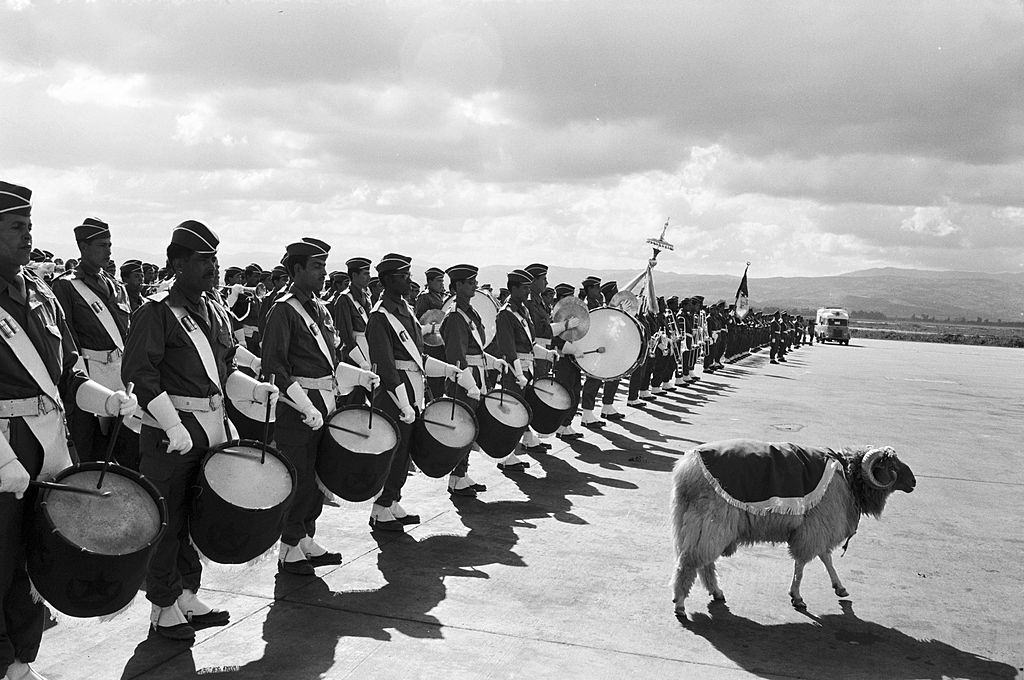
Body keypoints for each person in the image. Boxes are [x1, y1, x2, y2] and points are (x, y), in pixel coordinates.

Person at [1, 181, 137, 680]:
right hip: (7, 446)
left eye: (30, 226)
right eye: (16, 227)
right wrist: (2, 459)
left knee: (37, 559)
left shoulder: (39, 292)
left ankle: (20, 661)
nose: (28, 236)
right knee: (1, 561)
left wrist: (106, 399)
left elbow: (68, 373)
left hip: (50, 442)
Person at [121, 220, 277, 640]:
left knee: (195, 517)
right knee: (167, 520)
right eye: (204, 259)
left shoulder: (214, 309)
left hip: (211, 427)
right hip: (171, 435)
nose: (214, 266)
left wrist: (254, 388)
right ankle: (162, 605)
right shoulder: (156, 311)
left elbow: (222, 370)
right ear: (178, 264)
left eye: (215, 258)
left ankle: (187, 593)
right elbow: (139, 372)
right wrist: (172, 424)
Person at [262, 238, 378, 575]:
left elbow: (331, 363)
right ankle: (288, 547)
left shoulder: (321, 308)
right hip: (297, 410)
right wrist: (303, 405)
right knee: (298, 479)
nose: (324, 273)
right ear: (297, 269)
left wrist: (360, 376)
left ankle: (304, 537)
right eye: (316, 266)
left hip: (323, 404)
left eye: (325, 266)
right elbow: (275, 366)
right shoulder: (283, 310)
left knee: (316, 480)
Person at [365, 253, 472, 531]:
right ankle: (380, 509)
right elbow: (386, 367)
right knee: (392, 453)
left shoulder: (405, 309)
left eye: (409, 275)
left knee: (404, 454)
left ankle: (392, 502)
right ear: (387, 281)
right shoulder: (380, 316)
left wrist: (447, 369)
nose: (408, 281)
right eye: (403, 276)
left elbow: (418, 358)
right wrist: (403, 403)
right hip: (394, 397)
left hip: (411, 393)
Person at [50, 218, 133, 464]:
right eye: (102, 245)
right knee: (92, 451)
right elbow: (67, 340)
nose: (109, 251)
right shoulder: (66, 286)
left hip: (120, 374)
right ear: (83, 247)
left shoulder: (116, 287)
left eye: (110, 245)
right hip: (88, 374)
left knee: (123, 446)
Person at [439, 263, 506, 496]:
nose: (475, 285)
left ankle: (462, 474)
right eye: (470, 282)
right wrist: (471, 385)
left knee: (471, 428)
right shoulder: (455, 317)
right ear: (458, 286)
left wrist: (493, 362)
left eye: (475, 281)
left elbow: (476, 349)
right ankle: (455, 478)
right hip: (464, 381)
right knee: (463, 429)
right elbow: (457, 357)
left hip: (476, 377)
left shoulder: (471, 312)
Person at [491, 268, 557, 464]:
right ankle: (505, 456)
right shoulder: (505, 314)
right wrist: (519, 374)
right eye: (524, 288)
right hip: (515, 371)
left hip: (527, 368)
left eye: (529, 287)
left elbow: (530, 343)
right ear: (513, 289)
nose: (528, 291)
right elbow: (508, 349)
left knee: (524, 409)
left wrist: (546, 354)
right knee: (512, 412)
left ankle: (524, 441)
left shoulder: (523, 311)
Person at [415, 267, 446, 400]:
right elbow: (420, 322)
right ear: (430, 281)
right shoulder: (425, 297)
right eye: (438, 281)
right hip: (431, 344)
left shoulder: (440, 297)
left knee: (441, 379)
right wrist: (432, 328)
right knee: (433, 380)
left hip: (440, 343)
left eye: (442, 281)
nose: (441, 284)